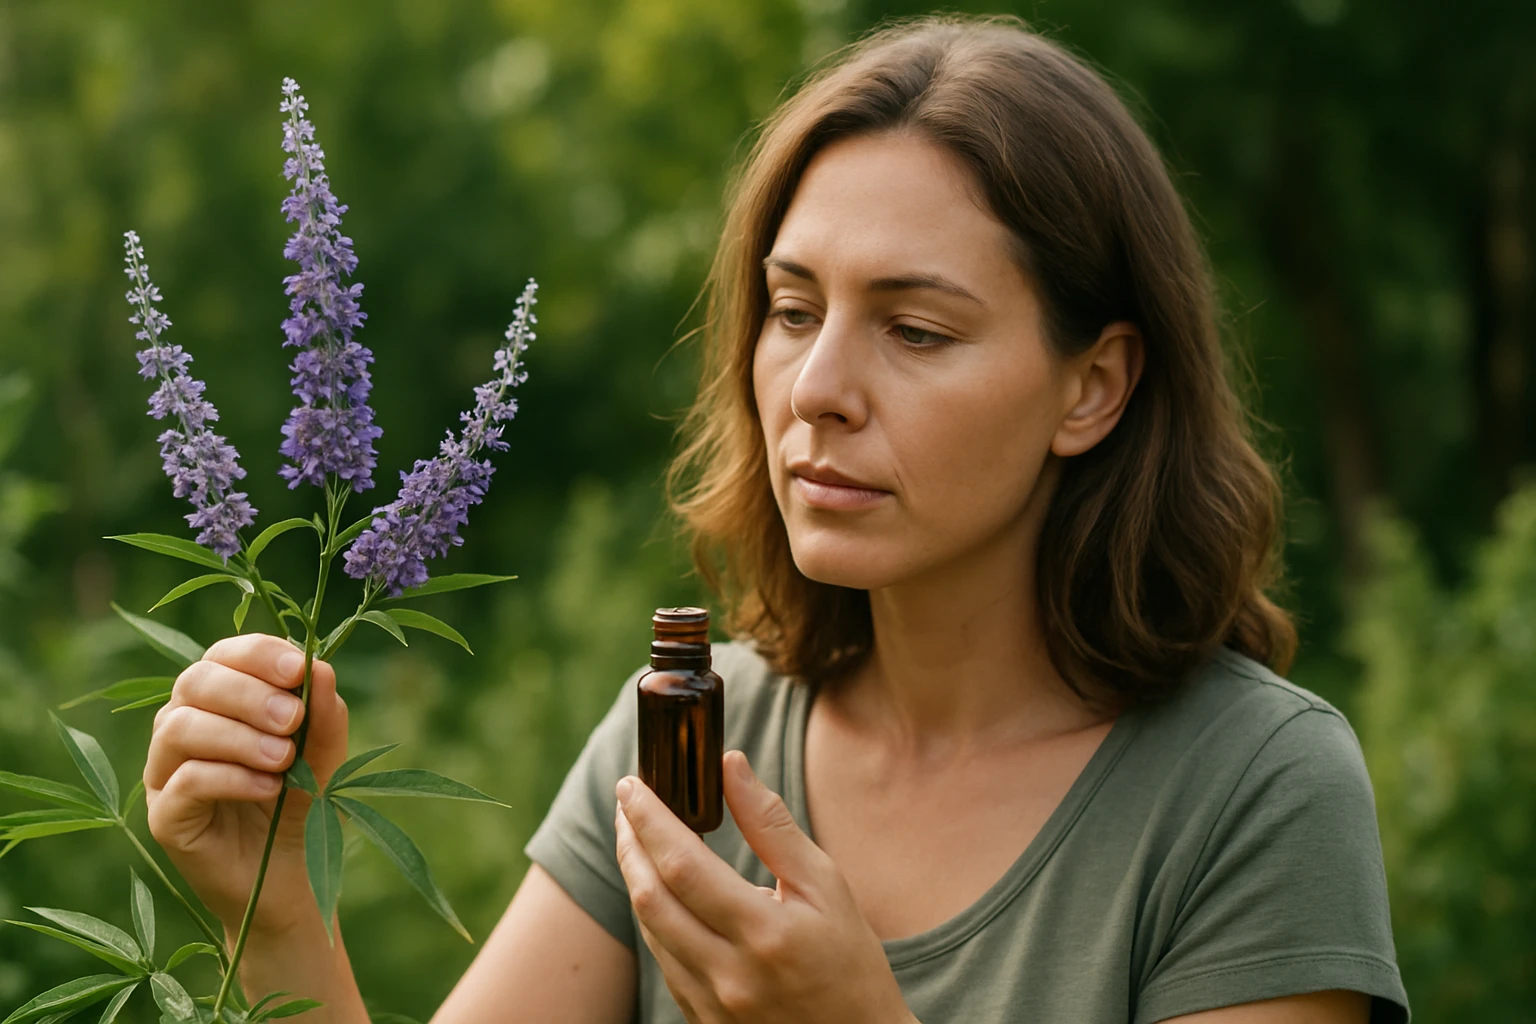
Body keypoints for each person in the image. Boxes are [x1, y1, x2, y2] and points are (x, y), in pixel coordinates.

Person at [142, 14, 1410, 1023]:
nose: (815, 390)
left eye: (915, 330)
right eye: (794, 311)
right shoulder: (685, 730)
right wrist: (277, 910)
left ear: (1094, 386)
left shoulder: (1253, 790)